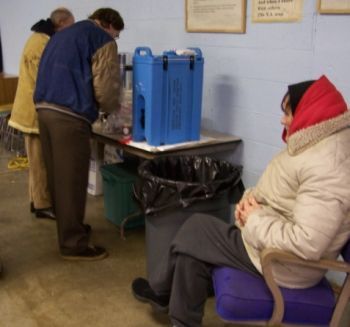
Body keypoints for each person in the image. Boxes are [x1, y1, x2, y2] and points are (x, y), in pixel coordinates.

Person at [131, 75, 350, 327]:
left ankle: (161, 292)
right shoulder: (316, 143)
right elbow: (279, 192)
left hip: (284, 263)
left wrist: (253, 218)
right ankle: (176, 311)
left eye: (288, 113)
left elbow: (306, 243)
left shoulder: (328, 165)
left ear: (311, 112)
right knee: (191, 251)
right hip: (271, 243)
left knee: (195, 229)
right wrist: (250, 201)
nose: (283, 119)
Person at [33, 8, 124, 261]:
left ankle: (69, 229)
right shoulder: (101, 40)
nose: (114, 41)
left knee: (57, 177)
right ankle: (73, 244)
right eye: (115, 35)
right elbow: (105, 89)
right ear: (107, 26)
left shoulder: (62, 34)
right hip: (68, 115)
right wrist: (111, 110)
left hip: (44, 108)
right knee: (72, 180)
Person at [8, 8, 75, 219]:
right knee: (40, 161)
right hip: (34, 112)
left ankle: (36, 200)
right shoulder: (41, 43)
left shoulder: (43, 38)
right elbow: (45, 79)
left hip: (35, 108)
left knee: (38, 160)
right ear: (62, 23)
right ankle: (42, 205)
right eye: (71, 26)